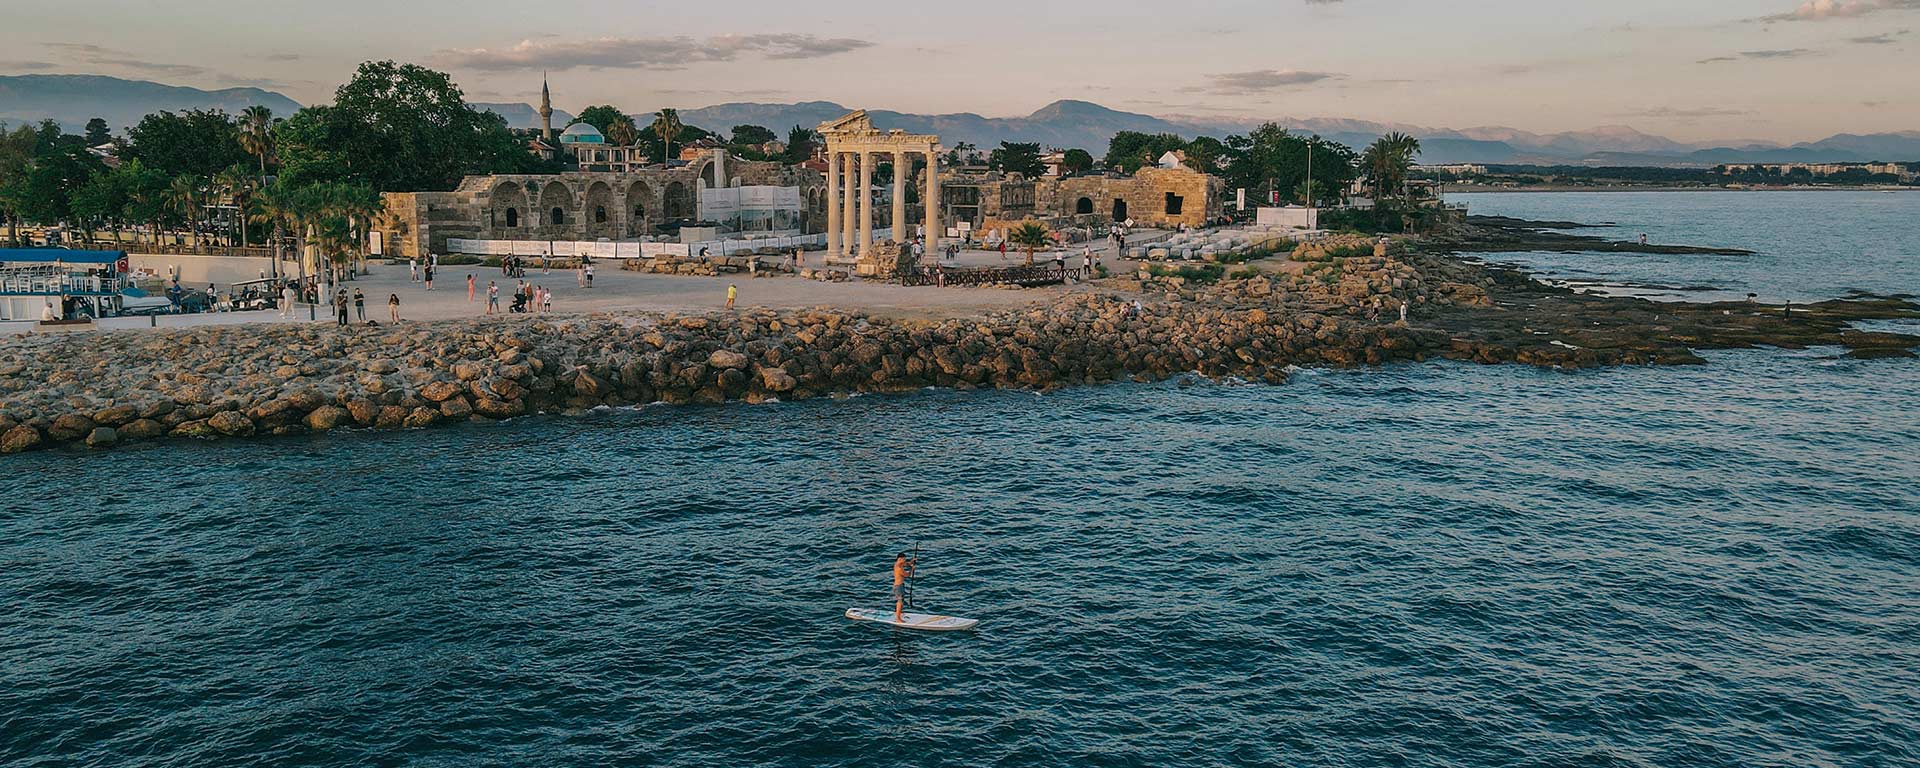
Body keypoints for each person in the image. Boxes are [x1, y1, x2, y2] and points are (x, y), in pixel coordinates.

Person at [893, 551, 917, 622]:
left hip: (901, 585)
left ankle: (899, 612)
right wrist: (912, 569)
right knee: (900, 601)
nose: (905, 560)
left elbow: (907, 564)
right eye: (904, 559)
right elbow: (907, 575)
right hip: (898, 586)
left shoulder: (899, 563)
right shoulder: (898, 568)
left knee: (902, 600)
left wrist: (912, 561)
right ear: (900, 559)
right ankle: (898, 618)